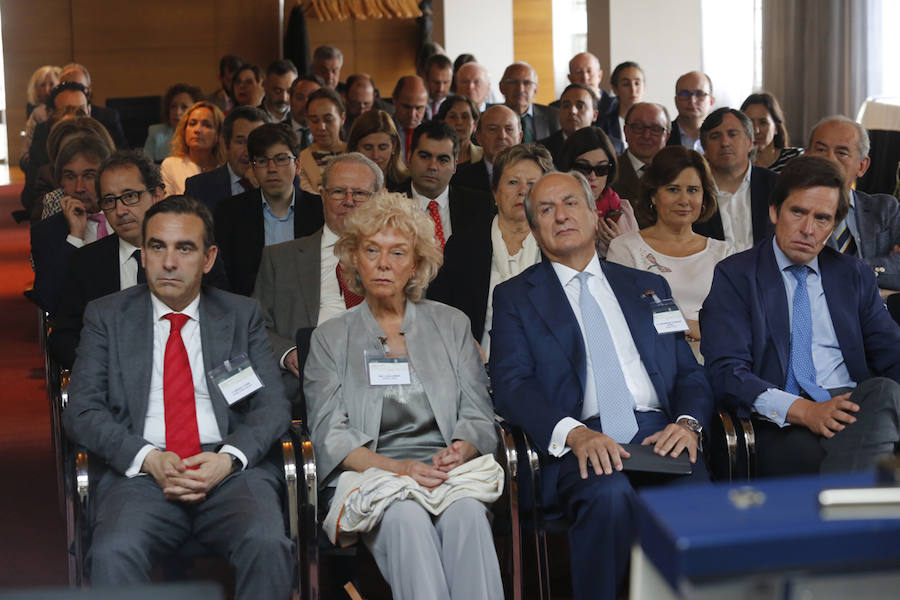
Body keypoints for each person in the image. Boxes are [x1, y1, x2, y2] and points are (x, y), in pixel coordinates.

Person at [490, 170, 712, 600]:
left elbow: (689, 372)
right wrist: (574, 433)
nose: (561, 216)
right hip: (579, 440)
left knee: (694, 496)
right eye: (546, 210)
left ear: (594, 216)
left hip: (659, 434)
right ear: (535, 229)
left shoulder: (647, 286)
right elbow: (512, 384)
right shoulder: (516, 296)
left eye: (571, 203)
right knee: (609, 495)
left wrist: (687, 424)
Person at [63, 196, 294, 599]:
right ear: (144, 254)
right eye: (157, 247)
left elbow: (272, 406)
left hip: (230, 471)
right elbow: (82, 409)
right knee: (114, 551)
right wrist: (147, 458)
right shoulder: (106, 316)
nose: (169, 262)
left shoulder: (241, 315)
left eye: (184, 248)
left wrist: (228, 459)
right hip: (140, 471)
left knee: (267, 543)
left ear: (208, 258)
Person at [304, 192, 503, 600]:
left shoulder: (451, 324)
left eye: (397, 253)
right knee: (407, 518)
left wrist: (461, 450)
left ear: (415, 264)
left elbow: (479, 413)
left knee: (468, 515)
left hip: (447, 472)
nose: (383, 263)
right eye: (372, 250)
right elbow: (329, 433)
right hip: (373, 475)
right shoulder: (330, 337)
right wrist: (399, 468)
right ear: (354, 258)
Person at [701, 155, 900, 477]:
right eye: (798, 212)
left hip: (853, 407)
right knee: (843, 457)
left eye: (822, 219)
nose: (808, 229)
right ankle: (854, 503)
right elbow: (726, 371)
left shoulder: (852, 274)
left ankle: (844, 502)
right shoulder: (736, 275)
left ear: (833, 226)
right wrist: (805, 411)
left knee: (885, 391)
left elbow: (892, 351)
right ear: (774, 211)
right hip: (783, 415)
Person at [50, 150, 228, 369]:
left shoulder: (196, 254)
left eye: (130, 196)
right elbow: (63, 338)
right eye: (109, 200)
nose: (120, 210)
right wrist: (104, 368)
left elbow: (223, 324)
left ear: (157, 195)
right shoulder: (86, 263)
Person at [252, 153, 382, 407]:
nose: (348, 201)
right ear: (322, 195)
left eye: (359, 193)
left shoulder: (398, 259)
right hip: (308, 383)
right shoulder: (280, 258)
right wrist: (289, 353)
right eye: (338, 192)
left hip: (380, 380)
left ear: (377, 198)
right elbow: (256, 326)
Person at [607, 146, 734, 359]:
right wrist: (691, 326)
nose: (684, 200)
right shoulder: (625, 248)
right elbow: (626, 316)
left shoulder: (724, 253)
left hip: (715, 364)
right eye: (673, 189)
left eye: (693, 190)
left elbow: (733, 323)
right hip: (651, 362)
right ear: (653, 195)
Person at [428, 143, 552, 357]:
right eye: (513, 182)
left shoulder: (557, 248)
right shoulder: (463, 246)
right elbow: (437, 310)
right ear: (495, 192)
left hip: (545, 367)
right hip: (474, 365)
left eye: (532, 184)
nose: (523, 191)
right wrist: (462, 344)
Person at [215, 123, 324, 296]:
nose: (272, 169)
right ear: (253, 167)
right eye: (262, 161)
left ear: (297, 166)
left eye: (281, 159)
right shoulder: (230, 213)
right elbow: (222, 278)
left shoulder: (320, 211)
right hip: (250, 312)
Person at [806, 115, 900, 292]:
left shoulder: (886, 208)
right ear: (806, 156)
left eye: (841, 153)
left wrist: (853, 269)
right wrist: (881, 265)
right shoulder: (793, 211)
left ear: (862, 166)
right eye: (821, 150)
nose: (829, 159)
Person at [30, 135, 113, 313]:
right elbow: (48, 299)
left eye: (89, 176)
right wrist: (75, 237)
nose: (79, 188)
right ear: (60, 182)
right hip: (78, 328)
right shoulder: (47, 232)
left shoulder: (127, 219)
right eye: (70, 176)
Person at [694, 107, 777, 252]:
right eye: (715, 136)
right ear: (705, 149)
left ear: (750, 142)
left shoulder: (777, 186)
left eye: (732, 134)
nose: (725, 142)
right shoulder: (694, 192)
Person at [400, 120, 494, 248]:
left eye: (442, 160)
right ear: (409, 158)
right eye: (424, 156)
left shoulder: (480, 206)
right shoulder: (388, 206)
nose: (432, 166)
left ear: (455, 166)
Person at [558, 126, 639, 256]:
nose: (593, 176)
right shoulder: (554, 212)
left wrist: (619, 247)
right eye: (583, 167)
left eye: (602, 168)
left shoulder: (623, 212)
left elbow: (638, 268)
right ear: (568, 166)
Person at [184, 106, 267, 213]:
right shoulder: (198, 187)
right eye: (241, 142)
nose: (248, 152)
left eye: (257, 143)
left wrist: (263, 190)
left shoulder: (281, 185)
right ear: (224, 144)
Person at [612, 102, 671, 226]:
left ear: (666, 137)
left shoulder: (676, 173)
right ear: (626, 132)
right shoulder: (607, 171)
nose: (646, 135)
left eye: (655, 129)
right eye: (638, 127)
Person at [451, 104, 522, 194]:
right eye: (493, 129)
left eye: (509, 129)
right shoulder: (458, 179)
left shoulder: (536, 177)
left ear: (519, 137)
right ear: (479, 137)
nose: (502, 136)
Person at [160, 101, 226, 196]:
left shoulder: (226, 167)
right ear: (184, 130)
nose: (197, 130)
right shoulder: (171, 165)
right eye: (192, 123)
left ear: (219, 134)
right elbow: (166, 207)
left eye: (206, 125)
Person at [538, 84, 601, 167]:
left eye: (580, 106)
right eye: (566, 106)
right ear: (559, 111)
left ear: (594, 115)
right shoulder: (540, 150)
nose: (572, 111)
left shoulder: (612, 147)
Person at [299, 88, 347, 194]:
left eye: (328, 120)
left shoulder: (357, 153)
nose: (321, 127)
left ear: (342, 119)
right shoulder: (301, 160)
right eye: (314, 120)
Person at [347, 109, 409, 192]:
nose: (375, 155)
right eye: (368, 148)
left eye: (382, 147)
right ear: (355, 148)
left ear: (393, 146)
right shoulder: (341, 182)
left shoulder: (408, 184)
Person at [740, 92, 803, 173]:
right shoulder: (737, 165)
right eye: (750, 124)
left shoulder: (796, 159)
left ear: (776, 127)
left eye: (763, 123)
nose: (756, 130)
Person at [498, 62, 559, 143]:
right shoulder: (488, 117)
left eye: (527, 83)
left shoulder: (555, 116)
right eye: (513, 82)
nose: (520, 89)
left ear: (535, 90)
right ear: (502, 87)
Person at [143, 83, 204, 163]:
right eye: (173, 106)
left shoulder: (203, 135)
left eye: (184, 107)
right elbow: (145, 166)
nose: (177, 112)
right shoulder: (156, 133)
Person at [669, 71, 715, 152]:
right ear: (676, 101)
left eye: (699, 94)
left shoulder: (720, 138)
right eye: (684, 94)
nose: (692, 101)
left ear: (711, 101)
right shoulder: (662, 136)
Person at [599, 61, 645, 144]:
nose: (633, 90)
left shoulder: (654, 122)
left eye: (637, 83)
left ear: (644, 86)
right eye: (626, 84)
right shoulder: (603, 125)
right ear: (615, 89)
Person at [391, 75, 429, 162]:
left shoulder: (433, 135)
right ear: (394, 100)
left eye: (419, 108)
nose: (412, 114)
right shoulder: (382, 131)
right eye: (406, 107)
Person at [437, 94, 482, 165]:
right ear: (442, 122)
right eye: (452, 117)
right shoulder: (432, 155)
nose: (459, 122)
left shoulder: (484, 157)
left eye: (465, 117)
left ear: (475, 125)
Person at [424, 53, 454, 118]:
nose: (441, 88)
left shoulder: (457, 104)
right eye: (436, 82)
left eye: (446, 82)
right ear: (426, 78)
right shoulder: (415, 102)